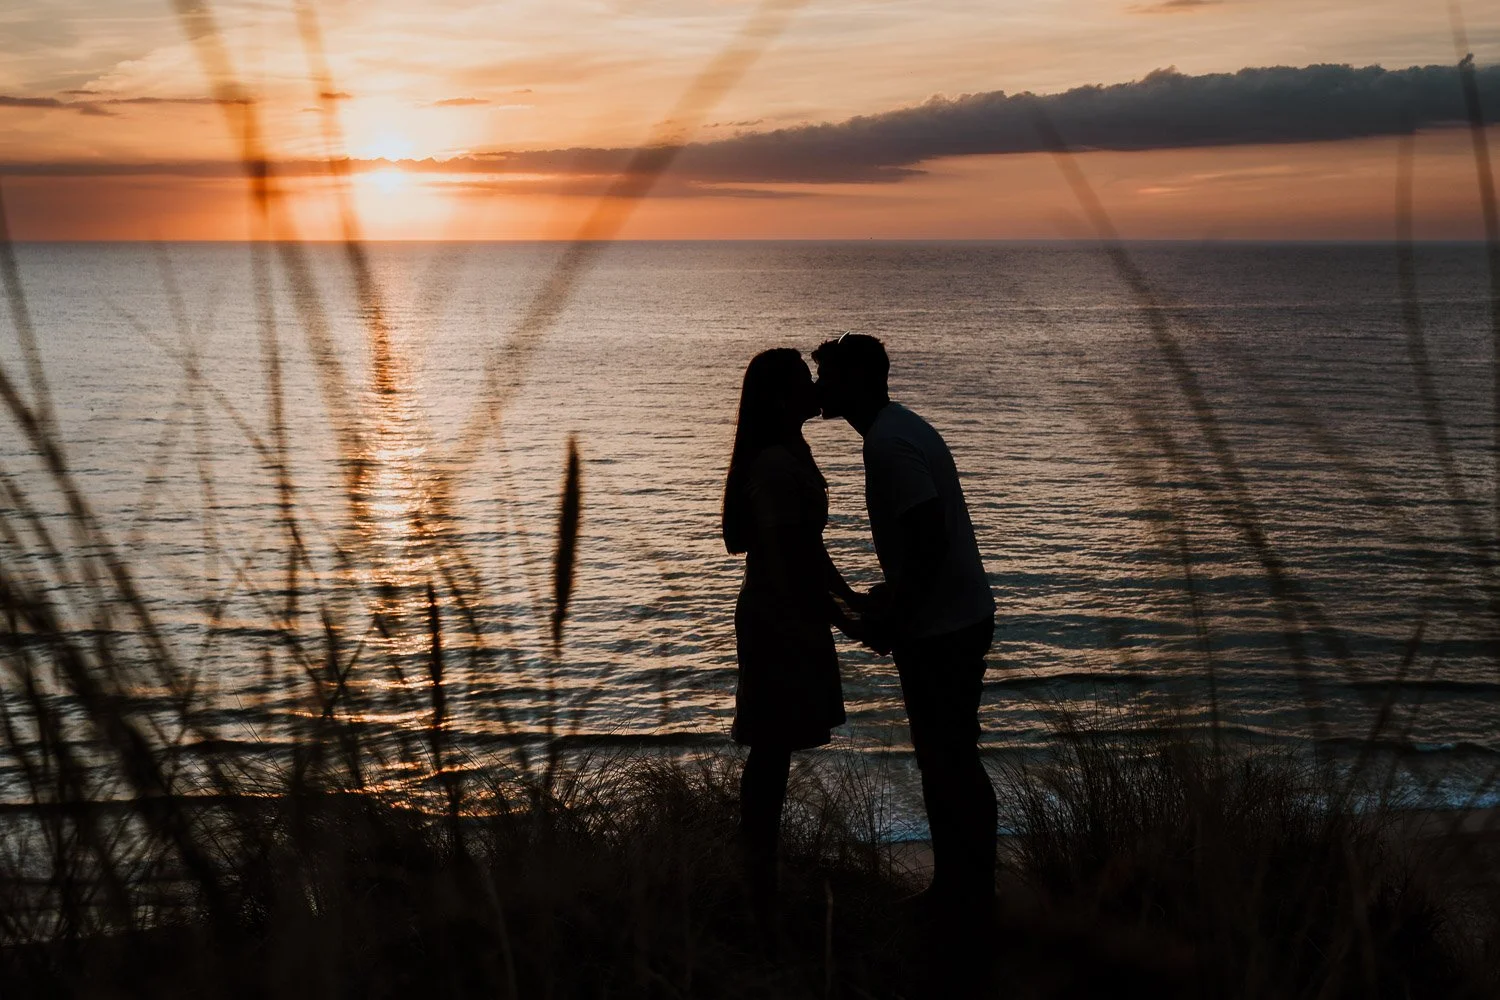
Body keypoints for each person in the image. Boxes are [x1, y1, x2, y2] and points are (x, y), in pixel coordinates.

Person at [812, 332, 998, 915]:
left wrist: (897, 611)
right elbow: (926, 540)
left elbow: (929, 537)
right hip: (956, 615)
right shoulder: (900, 429)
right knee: (951, 754)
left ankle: (961, 892)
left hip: (944, 626)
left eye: (831, 377)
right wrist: (896, 596)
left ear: (858, 382)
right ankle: (968, 886)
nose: (821, 389)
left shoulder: (888, 444)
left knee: (947, 758)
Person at [721, 347, 862, 927]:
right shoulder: (777, 464)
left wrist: (851, 601)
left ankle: (760, 882)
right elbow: (792, 560)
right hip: (779, 618)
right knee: (771, 753)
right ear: (782, 398)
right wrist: (850, 618)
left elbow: (808, 550)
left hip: (788, 611)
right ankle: (759, 888)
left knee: (772, 753)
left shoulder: (785, 453)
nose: (813, 392)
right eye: (804, 383)